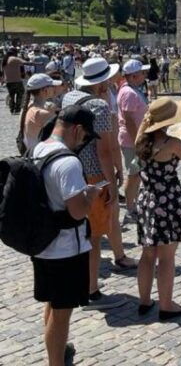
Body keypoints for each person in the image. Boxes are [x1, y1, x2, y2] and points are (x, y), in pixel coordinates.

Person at [31, 105, 102, 366]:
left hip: (43, 244)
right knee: (62, 314)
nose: (84, 143)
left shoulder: (39, 147)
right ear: (77, 129)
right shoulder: (69, 162)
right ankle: (56, 362)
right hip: (66, 250)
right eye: (85, 137)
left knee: (51, 305)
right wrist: (91, 197)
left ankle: (57, 354)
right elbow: (77, 212)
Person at [63, 57, 129, 307]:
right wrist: (112, 183)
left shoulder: (69, 97)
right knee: (94, 234)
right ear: (102, 83)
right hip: (93, 176)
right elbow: (104, 151)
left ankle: (81, 280)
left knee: (77, 230)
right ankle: (92, 292)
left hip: (70, 169)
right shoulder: (100, 107)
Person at [134, 98, 181, 319]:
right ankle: (166, 305)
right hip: (167, 199)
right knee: (167, 256)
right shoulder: (172, 143)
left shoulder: (141, 141)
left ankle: (144, 300)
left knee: (147, 254)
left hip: (147, 198)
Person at [118, 60, 149, 219]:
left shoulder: (132, 89)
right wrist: (138, 141)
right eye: (142, 73)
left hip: (135, 137)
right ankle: (130, 207)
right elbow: (129, 119)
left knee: (137, 173)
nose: (144, 75)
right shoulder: (129, 92)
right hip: (132, 140)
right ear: (134, 75)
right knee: (134, 173)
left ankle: (135, 202)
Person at [19, 73, 62, 154]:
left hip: (31, 152)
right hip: (40, 154)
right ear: (44, 90)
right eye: (52, 86)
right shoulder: (41, 113)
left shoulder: (28, 106)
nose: (54, 88)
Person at [3, 47, 26, 114]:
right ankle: (17, 109)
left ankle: (12, 109)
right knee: (20, 94)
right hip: (17, 80)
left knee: (11, 95)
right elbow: (25, 62)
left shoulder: (5, 60)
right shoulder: (14, 59)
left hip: (8, 81)